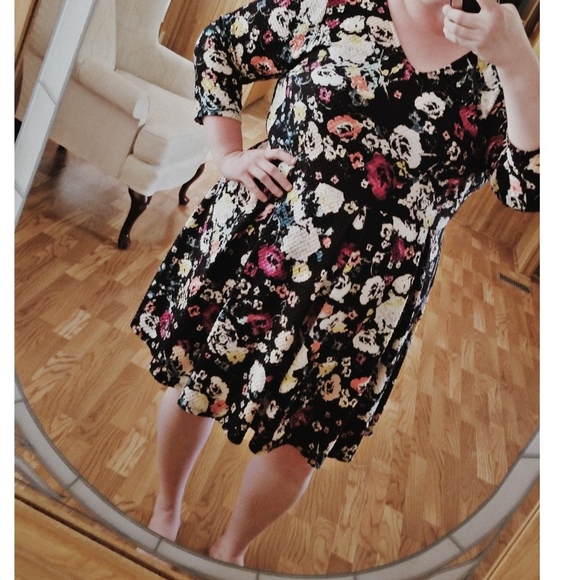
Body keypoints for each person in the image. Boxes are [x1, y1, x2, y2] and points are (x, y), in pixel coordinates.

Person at [131, 0, 539, 566]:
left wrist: (518, 62)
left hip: (367, 302)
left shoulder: (495, 75)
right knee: (196, 386)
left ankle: (232, 550)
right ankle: (167, 509)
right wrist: (228, 154)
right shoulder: (332, 4)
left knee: (300, 447)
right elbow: (220, 46)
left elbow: (528, 189)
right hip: (260, 249)